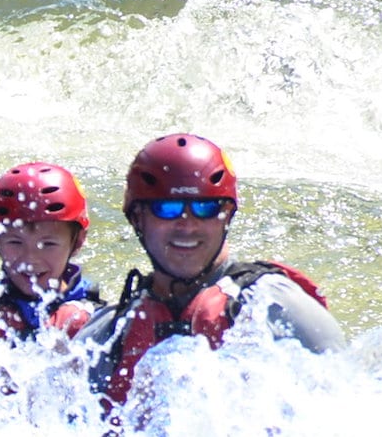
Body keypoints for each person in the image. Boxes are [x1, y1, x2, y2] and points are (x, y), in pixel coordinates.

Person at [78, 132, 345, 410]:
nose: (187, 225)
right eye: (166, 208)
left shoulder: (274, 305)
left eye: (205, 207)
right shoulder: (110, 333)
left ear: (227, 215)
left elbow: (343, 410)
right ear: (138, 219)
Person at [0, 161, 100, 341]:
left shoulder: (93, 319)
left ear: (78, 242)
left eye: (48, 244)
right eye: (15, 242)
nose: (30, 259)